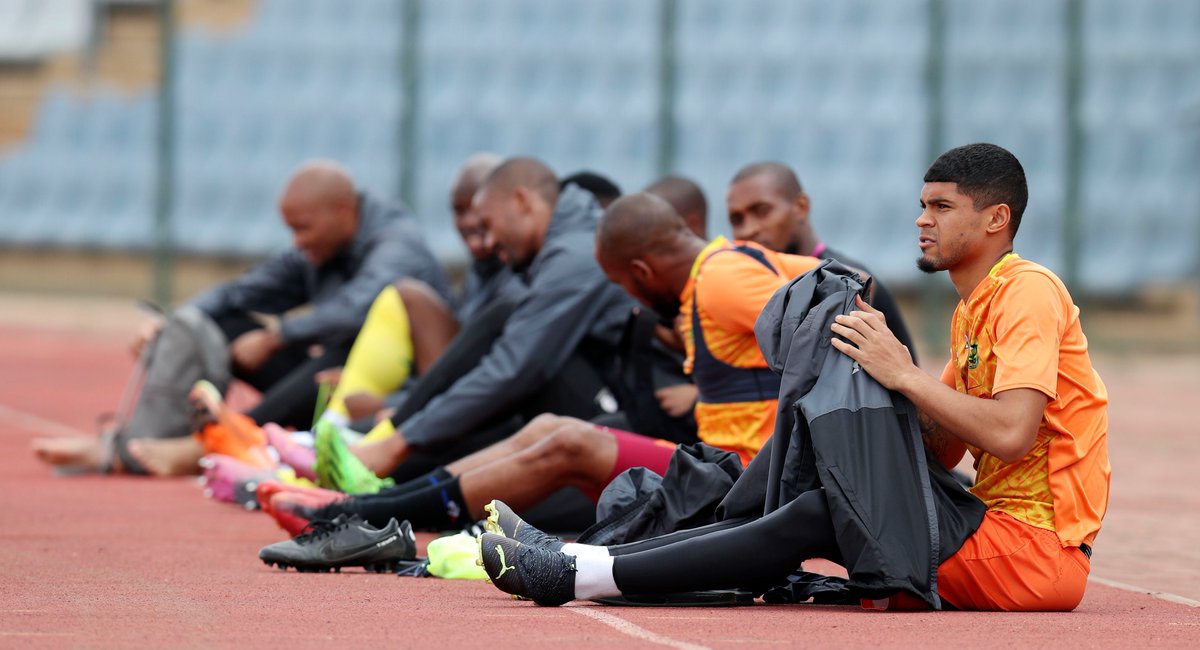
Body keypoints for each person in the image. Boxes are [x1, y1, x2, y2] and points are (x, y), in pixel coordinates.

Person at [479, 143, 1111, 613]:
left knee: (821, 507)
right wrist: (864, 386)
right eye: (922, 205)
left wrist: (902, 376)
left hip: (1031, 555)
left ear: (997, 219)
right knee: (813, 489)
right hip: (995, 532)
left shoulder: (1026, 291)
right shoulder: (975, 310)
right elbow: (944, 450)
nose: (923, 219)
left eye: (942, 207)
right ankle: (583, 561)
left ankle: (578, 569)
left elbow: (1010, 432)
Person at [260, 191, 820, 544]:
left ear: (643, 271)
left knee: (566, 442)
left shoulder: (722, 277)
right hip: (721, 469)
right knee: (549, 429)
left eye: (624, 288)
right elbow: (849, 286)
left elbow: (832, 315)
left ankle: (365, 514)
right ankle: (366, 509)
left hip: (744, 487)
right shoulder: (729, 266)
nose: (629, 299)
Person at [31, 160, 451, 475]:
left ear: (343, 210)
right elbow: (240, 291)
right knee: (220, 323)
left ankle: (215, 441)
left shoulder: (397, 243)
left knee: (338, 348)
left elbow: (357, 307)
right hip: (325, 393)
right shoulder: (319, 246)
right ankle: (145, 442)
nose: (297, 242)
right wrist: (175, 321)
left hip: (390, 393)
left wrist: (278, 334)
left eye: (303, 229)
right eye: (291, 231)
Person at [320, 157, 636, 486]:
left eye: (488, 223)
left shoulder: (575, 256)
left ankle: (381, 455)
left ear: (521, 201)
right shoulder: (566, 245)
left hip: (621, 421)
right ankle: (374, 457)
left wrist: (403, 438)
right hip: (589, 406)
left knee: (505, 348)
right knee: (496, 395)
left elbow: (514, 368)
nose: (486, 241)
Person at [315, 153, 522, 426]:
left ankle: (309, 431)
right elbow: (457, 353)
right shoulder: (479, 271)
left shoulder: (519, 274)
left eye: (480, 209)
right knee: (332, 379)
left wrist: (390, 402)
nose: (470, 221)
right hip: (438, 394)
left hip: (479, 413)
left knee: (409, 295)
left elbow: (495, 371)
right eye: (460, 211)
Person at [726, 161, 917, 360]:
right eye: (737, 220)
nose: (748, 230)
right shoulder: (749, 287)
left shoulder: (850, 281)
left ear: (801, 207)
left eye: (762, 211)